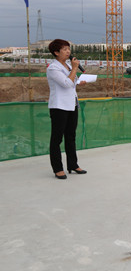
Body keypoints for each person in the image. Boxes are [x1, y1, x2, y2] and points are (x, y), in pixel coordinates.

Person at [47, 39, 87, 179]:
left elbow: (72, 82)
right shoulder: (53, 68)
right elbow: (65, 83)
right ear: (56, 52)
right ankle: (58, 168)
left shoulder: (68, 66)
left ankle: (73, 164)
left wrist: (79, 82)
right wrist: (75, 68)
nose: (68, 52)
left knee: (71, 136)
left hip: (72, 104)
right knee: (57, 139)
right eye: (64, 49)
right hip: (59, 106)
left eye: (68, 49)